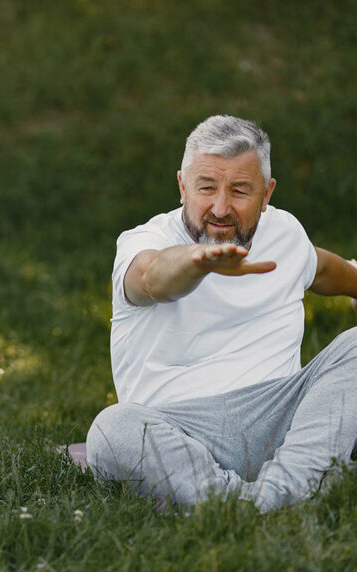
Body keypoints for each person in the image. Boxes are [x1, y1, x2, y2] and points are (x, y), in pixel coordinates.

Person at [86, 115, 357, 513]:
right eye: (206, 187)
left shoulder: (284, 234)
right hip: (182, 429)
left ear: (267, 194)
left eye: (240, 191)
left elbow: (323, 268)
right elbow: (151, 277)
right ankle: (279, 496)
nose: (220, 207)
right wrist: (200, 260)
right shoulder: (146, 242)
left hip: (284, 415)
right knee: (111, 430)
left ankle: (267, 496)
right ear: (182, 186)